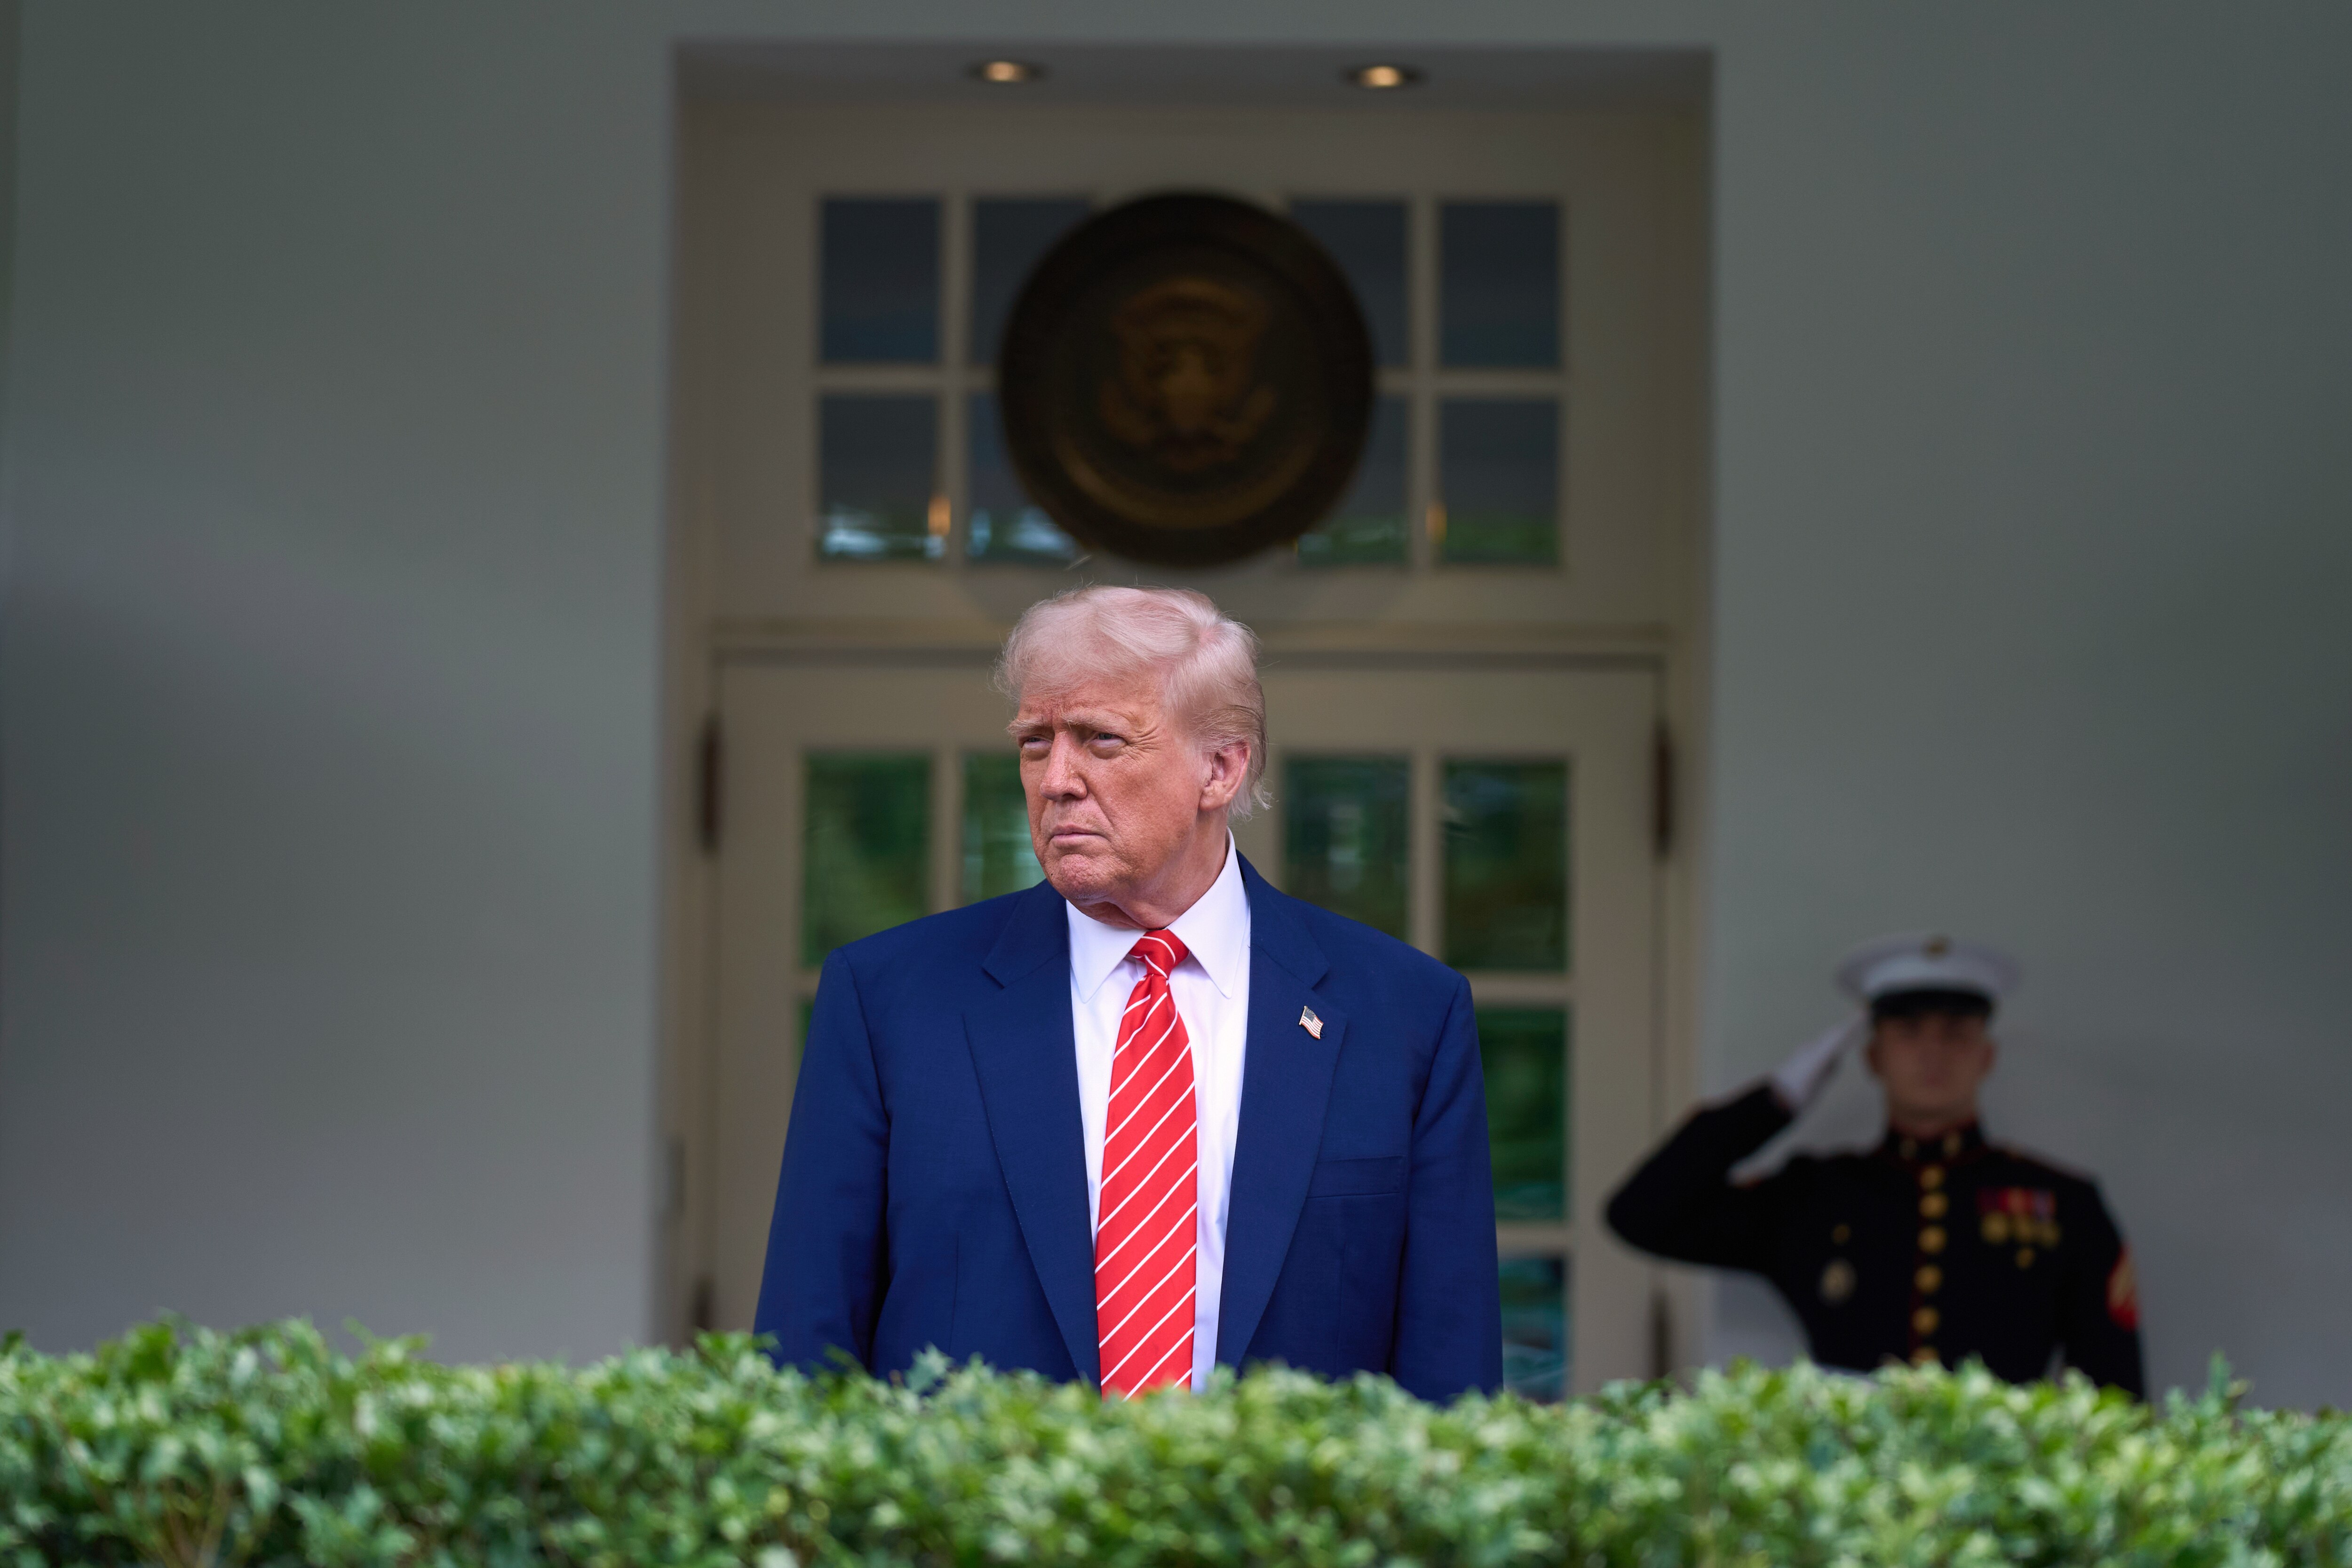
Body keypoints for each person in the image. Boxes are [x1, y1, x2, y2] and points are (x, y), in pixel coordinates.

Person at [755, 586, 1502, 1401]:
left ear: (1220, 767)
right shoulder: (888, 1002)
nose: (1056, 780)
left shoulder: (1406, 1015)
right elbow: (803, 1356)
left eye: (1101, 740)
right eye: (1035, 742)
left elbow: (1453, 1385)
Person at [1605, 934, 2145, 1394]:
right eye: (1907, 1032)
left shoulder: (2062, 1203)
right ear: (1872, 1056)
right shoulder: (1815, 1195)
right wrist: (1775, 1100)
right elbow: (1641, 1215)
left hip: (2007, 1475)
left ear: (1986, 1056)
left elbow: (2113, 1390)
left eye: (1955, 1033)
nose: (1932, 1052)